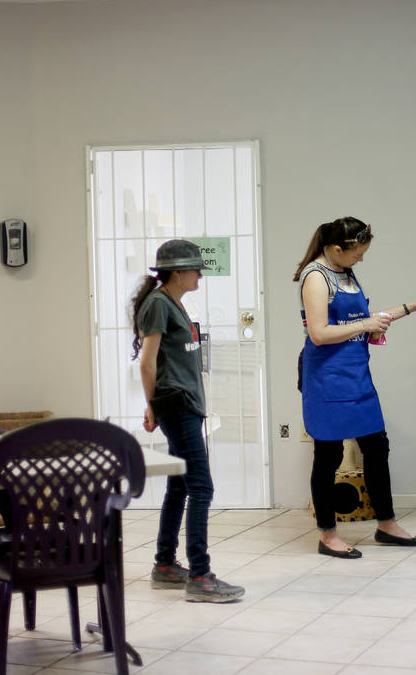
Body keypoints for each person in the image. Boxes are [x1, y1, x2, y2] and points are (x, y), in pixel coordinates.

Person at [294, 217, 416, 558]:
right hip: (326, 377)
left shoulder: (344, 272)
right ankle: (327, 535)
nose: (361, 259)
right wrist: (365, 324)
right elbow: (319, 333)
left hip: (356, 374)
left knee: (376, 447)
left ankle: (386, 525)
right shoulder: (315, 277)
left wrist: (410, 307)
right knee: (328, 455)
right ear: (335, 249)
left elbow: (358, 320)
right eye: (357, 253)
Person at [131, 239, 244, 602]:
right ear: (178, 272)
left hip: (183, 404)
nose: (200, 275)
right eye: (196, 269)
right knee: (201, 487)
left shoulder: (172, 302)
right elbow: (147, 363)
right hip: (177, 406)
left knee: (181, 486)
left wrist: (155, 406)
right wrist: (154, 406)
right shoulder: (159, 305)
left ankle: (165, 565)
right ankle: (200, 575)